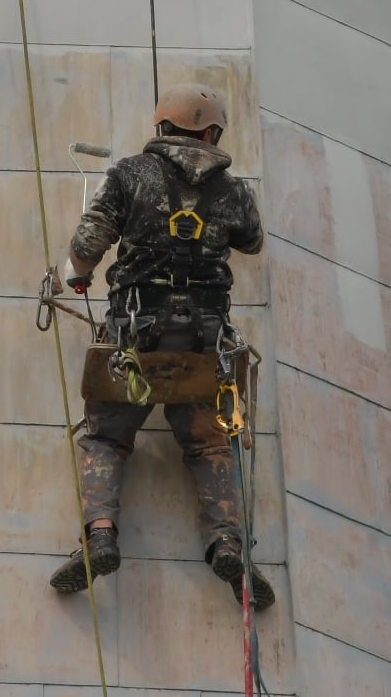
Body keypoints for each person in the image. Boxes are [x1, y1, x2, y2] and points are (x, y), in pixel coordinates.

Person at [47, 84, 277, 609]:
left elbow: (89, 245)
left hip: (135, 338)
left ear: (161, 126)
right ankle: (227, 544)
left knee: (106, 437)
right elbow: (252, 240)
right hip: (202, 343)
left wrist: (72, 274)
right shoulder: (233, 192)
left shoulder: (130, 174)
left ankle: (100, 536)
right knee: (211, 444)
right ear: (212, 133)